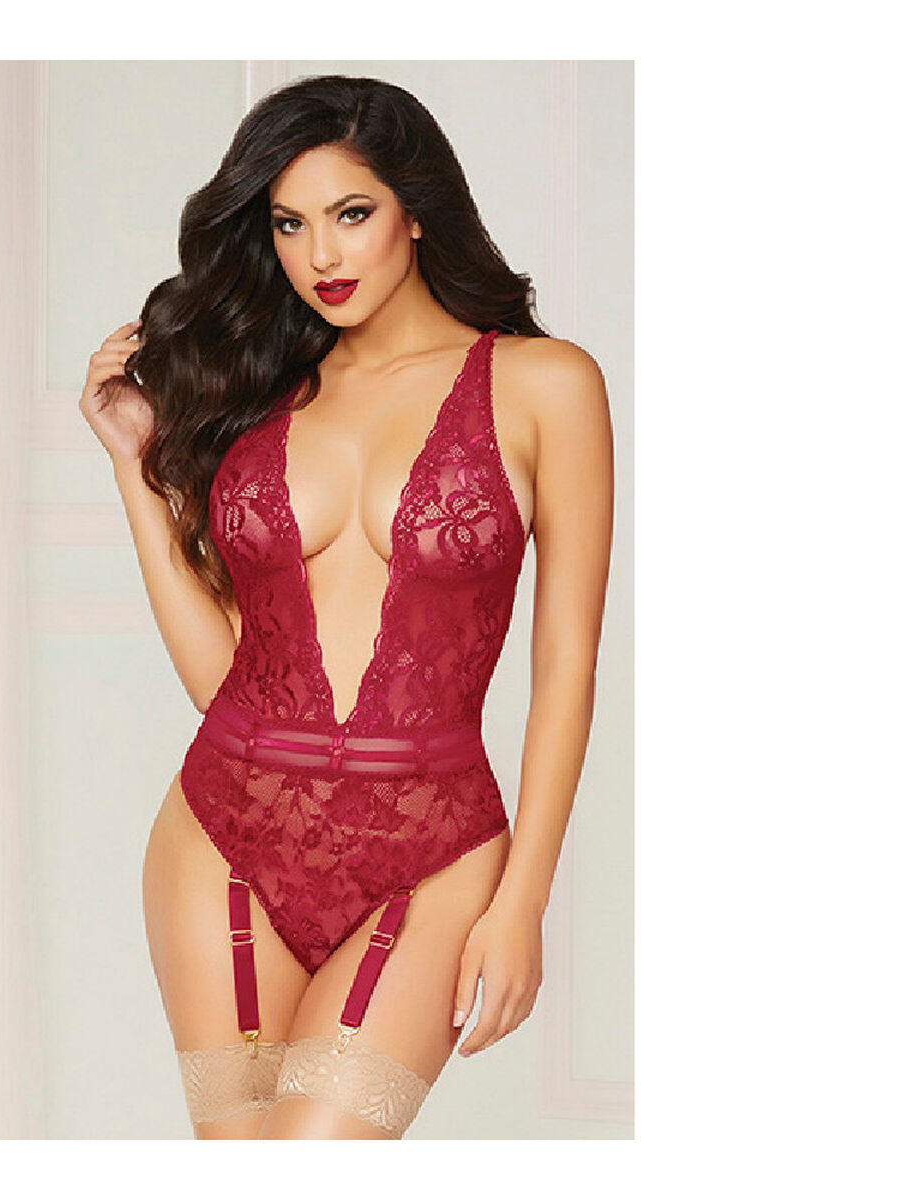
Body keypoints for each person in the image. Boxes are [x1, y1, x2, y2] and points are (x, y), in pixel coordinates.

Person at [78, 74, 613, 1139]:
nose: (320, 253)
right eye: (289, 224)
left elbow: (567, 662)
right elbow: (225, 680)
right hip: (223, 837)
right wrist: (136, 467)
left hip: (436, 849)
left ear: (415, 211)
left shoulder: (545, 384)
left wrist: (525, 900)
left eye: (351, 213)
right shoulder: (259, 396)